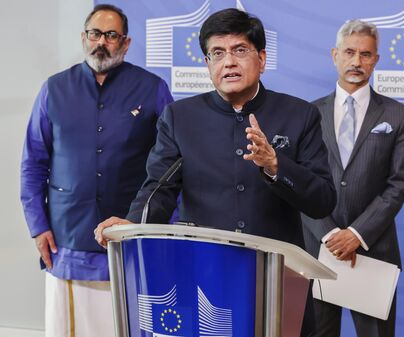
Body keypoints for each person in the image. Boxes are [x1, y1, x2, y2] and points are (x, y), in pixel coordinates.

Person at [95, 8, 336, 336]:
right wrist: (134, 225)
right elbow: (159, 188)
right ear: (208, 63)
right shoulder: (180, 117)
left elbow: (322, 201)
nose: (229, 62)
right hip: (206, 281)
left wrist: (276, 165)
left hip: (280, 279)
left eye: (240, 50)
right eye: (217, 53)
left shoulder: (299, 114)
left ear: (262, 59)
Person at [20, 4, 173, 337]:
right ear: (83, 37)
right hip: (66, 236)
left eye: (111, 35)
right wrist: (37, 225)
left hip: (130, 234)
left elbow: (171, 164)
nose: (101, 42)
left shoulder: (152, 88)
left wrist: (163, 228)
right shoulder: (54, 88)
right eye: (95, 33)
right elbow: (33, 162)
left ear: (126, 43)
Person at [301, 20, 404, 337]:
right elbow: (299, 184)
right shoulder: (307, 114)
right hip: (317, 252)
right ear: (335, 55)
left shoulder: (398, 115)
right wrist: (329, 234)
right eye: (349, 52)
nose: (356, 62)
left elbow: (397, 185)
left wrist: (355, 234)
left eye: (365, 54)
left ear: (376, 59)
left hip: (373, 251)